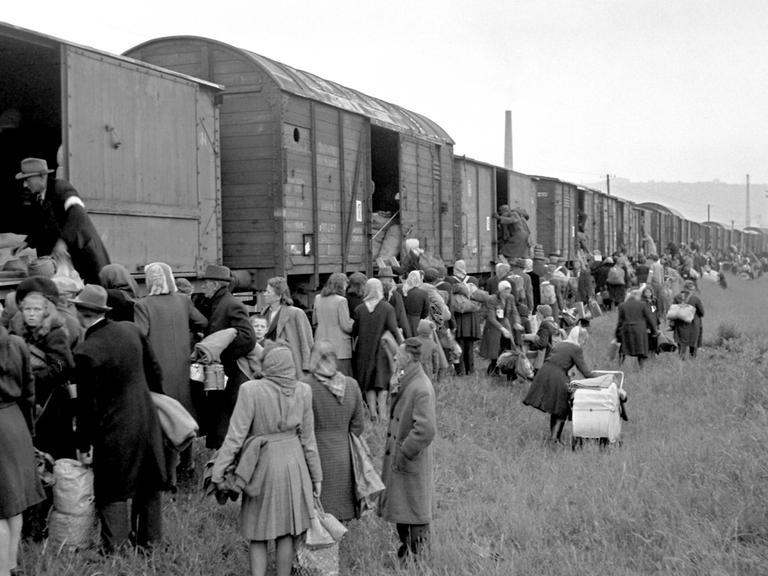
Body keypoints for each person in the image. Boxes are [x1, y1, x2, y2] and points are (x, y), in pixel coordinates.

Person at [211, 344, 322, 576]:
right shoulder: (303, 390)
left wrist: (218, 471)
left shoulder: (250, 390)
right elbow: (309, 440)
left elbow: (235, 436)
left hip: (260, 465)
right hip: (295, 463)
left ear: (268, 364)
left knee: (257, 532)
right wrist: (316, 477)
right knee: (286, 531)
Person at [71, 284, 167, 552]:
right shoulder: (131, 330)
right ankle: (151, 544)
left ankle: (116, 549)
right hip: (145, 419)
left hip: (113, 429)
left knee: (112, 490)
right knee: (148, 485)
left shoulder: (87, 351)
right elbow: (155, 373)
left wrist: (83, 445)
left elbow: (87, 406)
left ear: (80, 313)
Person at [134, 262, 208, 487]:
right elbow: (202, 321)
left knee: (164, 420)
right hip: (183, 369)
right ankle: (188, 464)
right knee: (185, 414)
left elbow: (140, 336)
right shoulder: (183, 301)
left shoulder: (143, 305)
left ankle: (169, 477)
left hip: (158, 372)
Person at [379, 338, 437, 564]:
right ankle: (407, 558)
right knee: (406, 512)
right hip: (404, 464)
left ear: (410, 358)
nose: (394, 357)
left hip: (410, 463)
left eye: (398, 355)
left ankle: (417, 563)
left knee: (415, 513)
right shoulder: (409, 380)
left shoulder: (420, 387)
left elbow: (425, 429)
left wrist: (404, 453)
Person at [14, 157, 110, 286]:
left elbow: (77, 213)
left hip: (83, 257)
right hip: (63, 264)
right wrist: (27, 242)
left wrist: (63, 241)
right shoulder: (38, 197)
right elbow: (43, 225)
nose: (25, 184)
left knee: (92, 293)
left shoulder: (61, 188)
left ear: (42, 176)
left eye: (27, 179)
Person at [9, 277, 75, 460]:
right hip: (27, 401)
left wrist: (32, 378)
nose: (31, 314)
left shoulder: (56, 334)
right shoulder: (16, 332)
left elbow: (63, 365)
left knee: (53, 451)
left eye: (36, 309)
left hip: (52, 405)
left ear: (46, 312)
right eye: (27, 309)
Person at [0, 323, 45, 576]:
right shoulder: (17, 344)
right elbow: (29, 391)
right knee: (13, 502)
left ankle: (2, 571)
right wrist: (29, 428)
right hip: (15, 420)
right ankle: (11, 564)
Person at [196, 264, 256, 449]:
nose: (203, 287)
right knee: (219, 415)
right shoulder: (218, 303)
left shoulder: (232, 305)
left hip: (231, 373)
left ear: (215, 284)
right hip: (222, 373)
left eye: (206, 283)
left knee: (225, 416)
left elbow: (248, 338)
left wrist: (221, 353)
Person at [305, 340, 364, 522]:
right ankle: (338, 544)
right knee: (340, 503)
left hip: (315, 452)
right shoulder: (351, 385)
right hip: (344, 453)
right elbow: (358, 425)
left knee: (317, 507)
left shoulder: (305, 387)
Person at [523, 325, 594, 444]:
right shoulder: (575, 348)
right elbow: (585, 372)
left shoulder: (561, 343)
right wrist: (603, 379)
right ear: (580, 338)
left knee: (556, 407)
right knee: (562, 408)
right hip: (556, 376)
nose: (584, 342)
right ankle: (554, 440)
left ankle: (554, 439)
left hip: (544, 372)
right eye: (584, 340)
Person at [352, 278, 403, 423]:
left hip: (364, 350)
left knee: (368, 383)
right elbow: (393, 329)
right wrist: (402, 345)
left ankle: (372, 412)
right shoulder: (387, 308)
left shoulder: (360, 309)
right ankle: (383, 414)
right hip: (382, 350)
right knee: (382, 382)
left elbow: (354, 331)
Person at [262, 277, 314, 379]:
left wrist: (307, 365)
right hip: (271, 364)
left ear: (279, 296)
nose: (265, 294)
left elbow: (306, 341)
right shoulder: (264, 312)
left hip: (291, 363)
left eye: (268, 292)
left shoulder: (296, 313)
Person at [312, 273, 354, 376]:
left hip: (321, 344)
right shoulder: (341, 301)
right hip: (340, 348)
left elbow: (314, 320)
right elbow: (346, 326)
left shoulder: (318, 298)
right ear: (340, 285)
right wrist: (353, 321)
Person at [479, 280, 522, 375]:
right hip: (494, 327)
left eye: (509, 291)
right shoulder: (492, 299)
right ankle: (493, 369)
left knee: (508, 347)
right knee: (495, 350)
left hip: (506, 324)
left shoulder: (511, 298)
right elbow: (491, 317)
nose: (507, 294)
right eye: (505, 292)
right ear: (500, 291)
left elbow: (514, 311)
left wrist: (517, 322)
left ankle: (506, 368)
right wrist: (502, 329)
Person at [615, 290, 658, 367]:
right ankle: (641, 368)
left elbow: (620, 321)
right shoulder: (642, 305)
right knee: (641, 349)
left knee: (624, 348)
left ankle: (620, 366)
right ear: (637, 296)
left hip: (626, 329)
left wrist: (617, 333)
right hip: (640, 329)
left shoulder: (622, 305)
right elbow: (649, 318)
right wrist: (654, 330)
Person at [450, 282, 481, 376]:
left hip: (460, 326)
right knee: (468, 350)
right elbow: (463, 308)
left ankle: (461, 371)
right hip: (468, 327)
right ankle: (469, 370)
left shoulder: (454, 298)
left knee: (461, 349)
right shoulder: (471, 301)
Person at [670, 280, 705, 359]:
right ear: (691, 289)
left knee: (681, 343)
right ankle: (692, 359)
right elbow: (702, 312)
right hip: (693, 324)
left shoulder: (676, 297)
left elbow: (672, 311)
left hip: (680, 324)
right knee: (693, 342)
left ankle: (681, 359)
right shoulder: (695, 299)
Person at [379, 266, 411, 338]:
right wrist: (408, 336)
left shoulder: (373, 294)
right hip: (391, 333)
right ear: (391, 280)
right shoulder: (396, 296)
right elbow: (402, 318)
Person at [401, 270, 430, 337]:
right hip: (417, 321)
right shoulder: (423, 293)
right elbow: (426, 311)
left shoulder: (401, 290)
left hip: (403, 320)